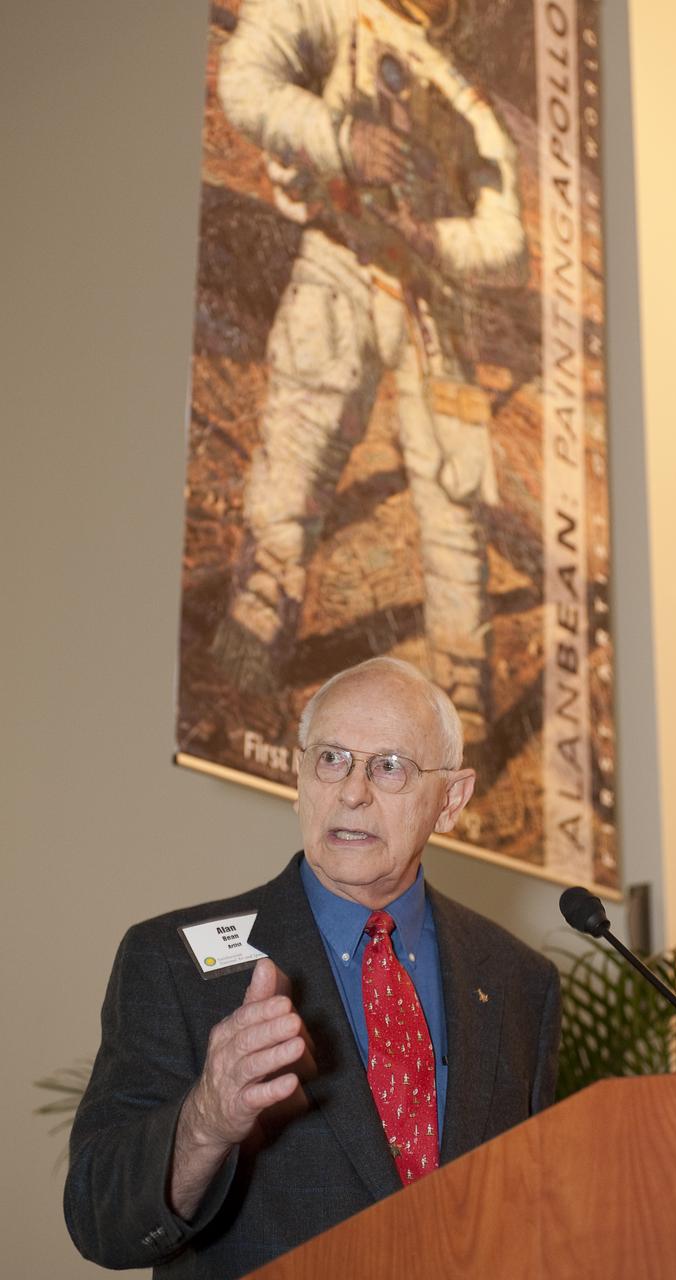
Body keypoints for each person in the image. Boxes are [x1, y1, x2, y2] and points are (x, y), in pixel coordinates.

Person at [65, 658, 560, 1276]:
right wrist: (206, 1122)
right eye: (331, 759)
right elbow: (99, 1220)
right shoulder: (172, 962)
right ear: (299, 777)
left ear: (451, 800)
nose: (352, 792)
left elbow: (534, 1214)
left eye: (389, 766)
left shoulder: (519, 982)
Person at [213, 0, 529, 741]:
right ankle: (259, 615)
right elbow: (245, 82)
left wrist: (434, 239)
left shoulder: (464, 99)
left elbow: (509, 245)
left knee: (453, 496)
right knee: (301, 444)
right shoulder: (327, 12)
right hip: (343, 257)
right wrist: (341, 138)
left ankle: (461, 684)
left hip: (431, 305)